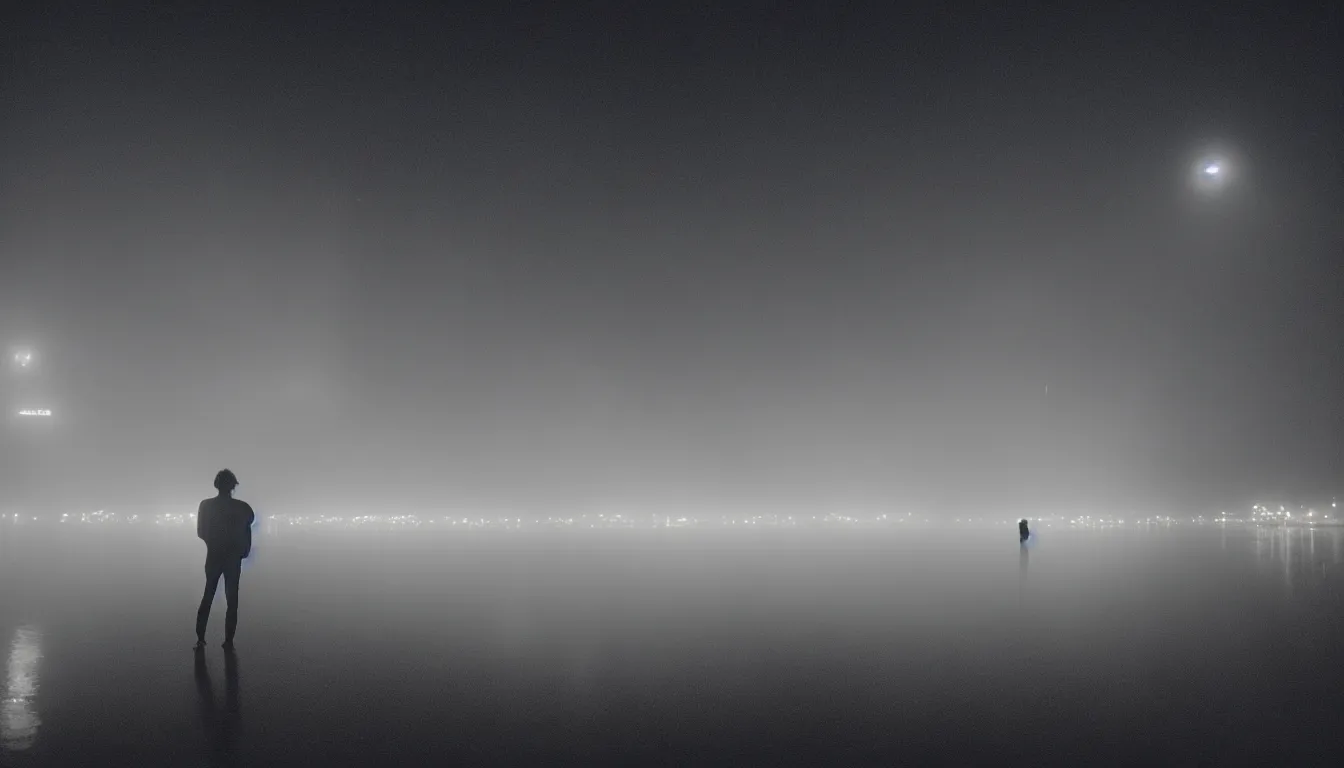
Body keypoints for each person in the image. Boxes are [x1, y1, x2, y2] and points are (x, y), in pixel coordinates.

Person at [195, 469, 255, 649]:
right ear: (233, 486)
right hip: (233, 559)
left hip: (213, 556)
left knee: (208, 595)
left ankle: (200, 637)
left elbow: (201, 532)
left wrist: (213, 543)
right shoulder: (243, 507)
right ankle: (228, 641)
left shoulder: (206, 505)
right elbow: (247, 527)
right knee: (232, 600)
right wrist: (243, 551)